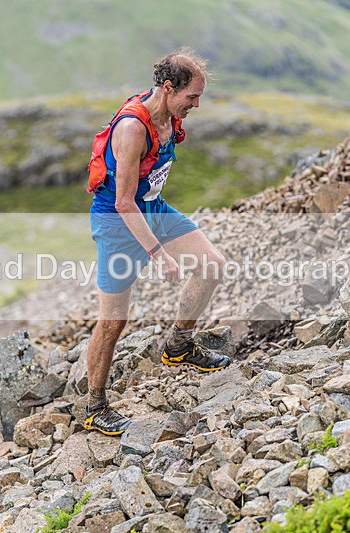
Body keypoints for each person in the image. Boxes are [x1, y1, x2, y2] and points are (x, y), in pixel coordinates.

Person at [82, 47, 231, 436]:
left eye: (199, 98)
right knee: (113, 321)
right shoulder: (133, 129)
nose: (196, 105)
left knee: (212, 264)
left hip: (155, 209)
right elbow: (122, 201)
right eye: (191, 97)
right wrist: (158, 254)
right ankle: (95, 406)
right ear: (168, 88)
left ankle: (179, 345)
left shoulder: (169, 119)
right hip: (118, 223)